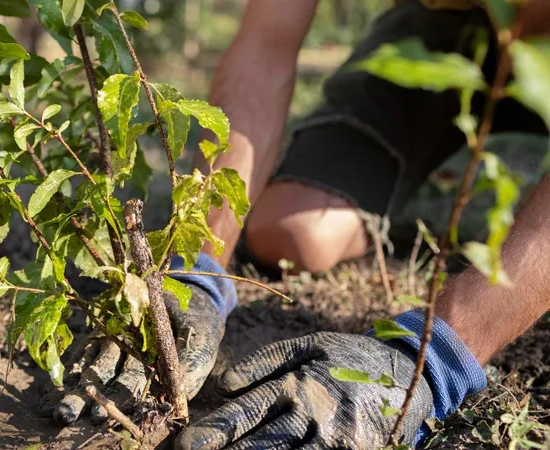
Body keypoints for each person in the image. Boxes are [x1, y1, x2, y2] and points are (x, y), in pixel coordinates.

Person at [43, 1, 550, 448]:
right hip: (440, 34)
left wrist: (438, 351)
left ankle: (490, 183)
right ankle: (443, 184)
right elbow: (265, 47)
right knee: (291, 233)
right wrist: (200, 261)